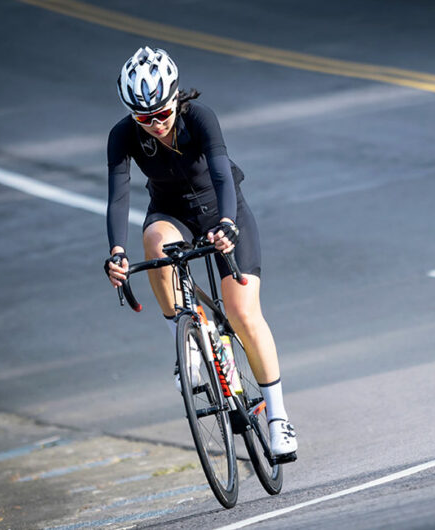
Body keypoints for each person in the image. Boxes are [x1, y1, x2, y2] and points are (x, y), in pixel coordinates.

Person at [103, 46, 296, 458]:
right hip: (172, 214)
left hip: (222, 210)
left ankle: (278, 418)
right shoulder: (122, 136)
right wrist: (116, 251)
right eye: (143, 117)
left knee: (243, 312)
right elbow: (118, 197)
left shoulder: (200, 117)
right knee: (154, 244)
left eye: (161, 112)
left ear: (175, 97)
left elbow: (223, 174)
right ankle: (186, 342)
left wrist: (227, 224)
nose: (154, 123)